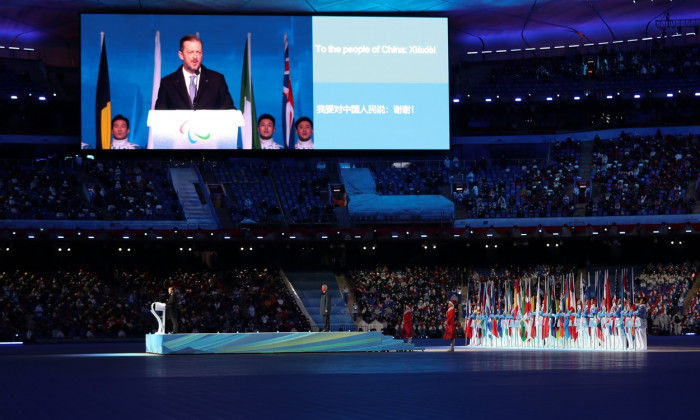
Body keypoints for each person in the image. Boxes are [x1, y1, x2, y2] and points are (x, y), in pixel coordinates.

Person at [155, 34, 235, 110]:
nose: (195, 57)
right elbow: (159, 117)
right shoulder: (167, 83)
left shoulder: (217, 80)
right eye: (190, 52)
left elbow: (230, 112)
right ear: (181, 55)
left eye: (198, 52)